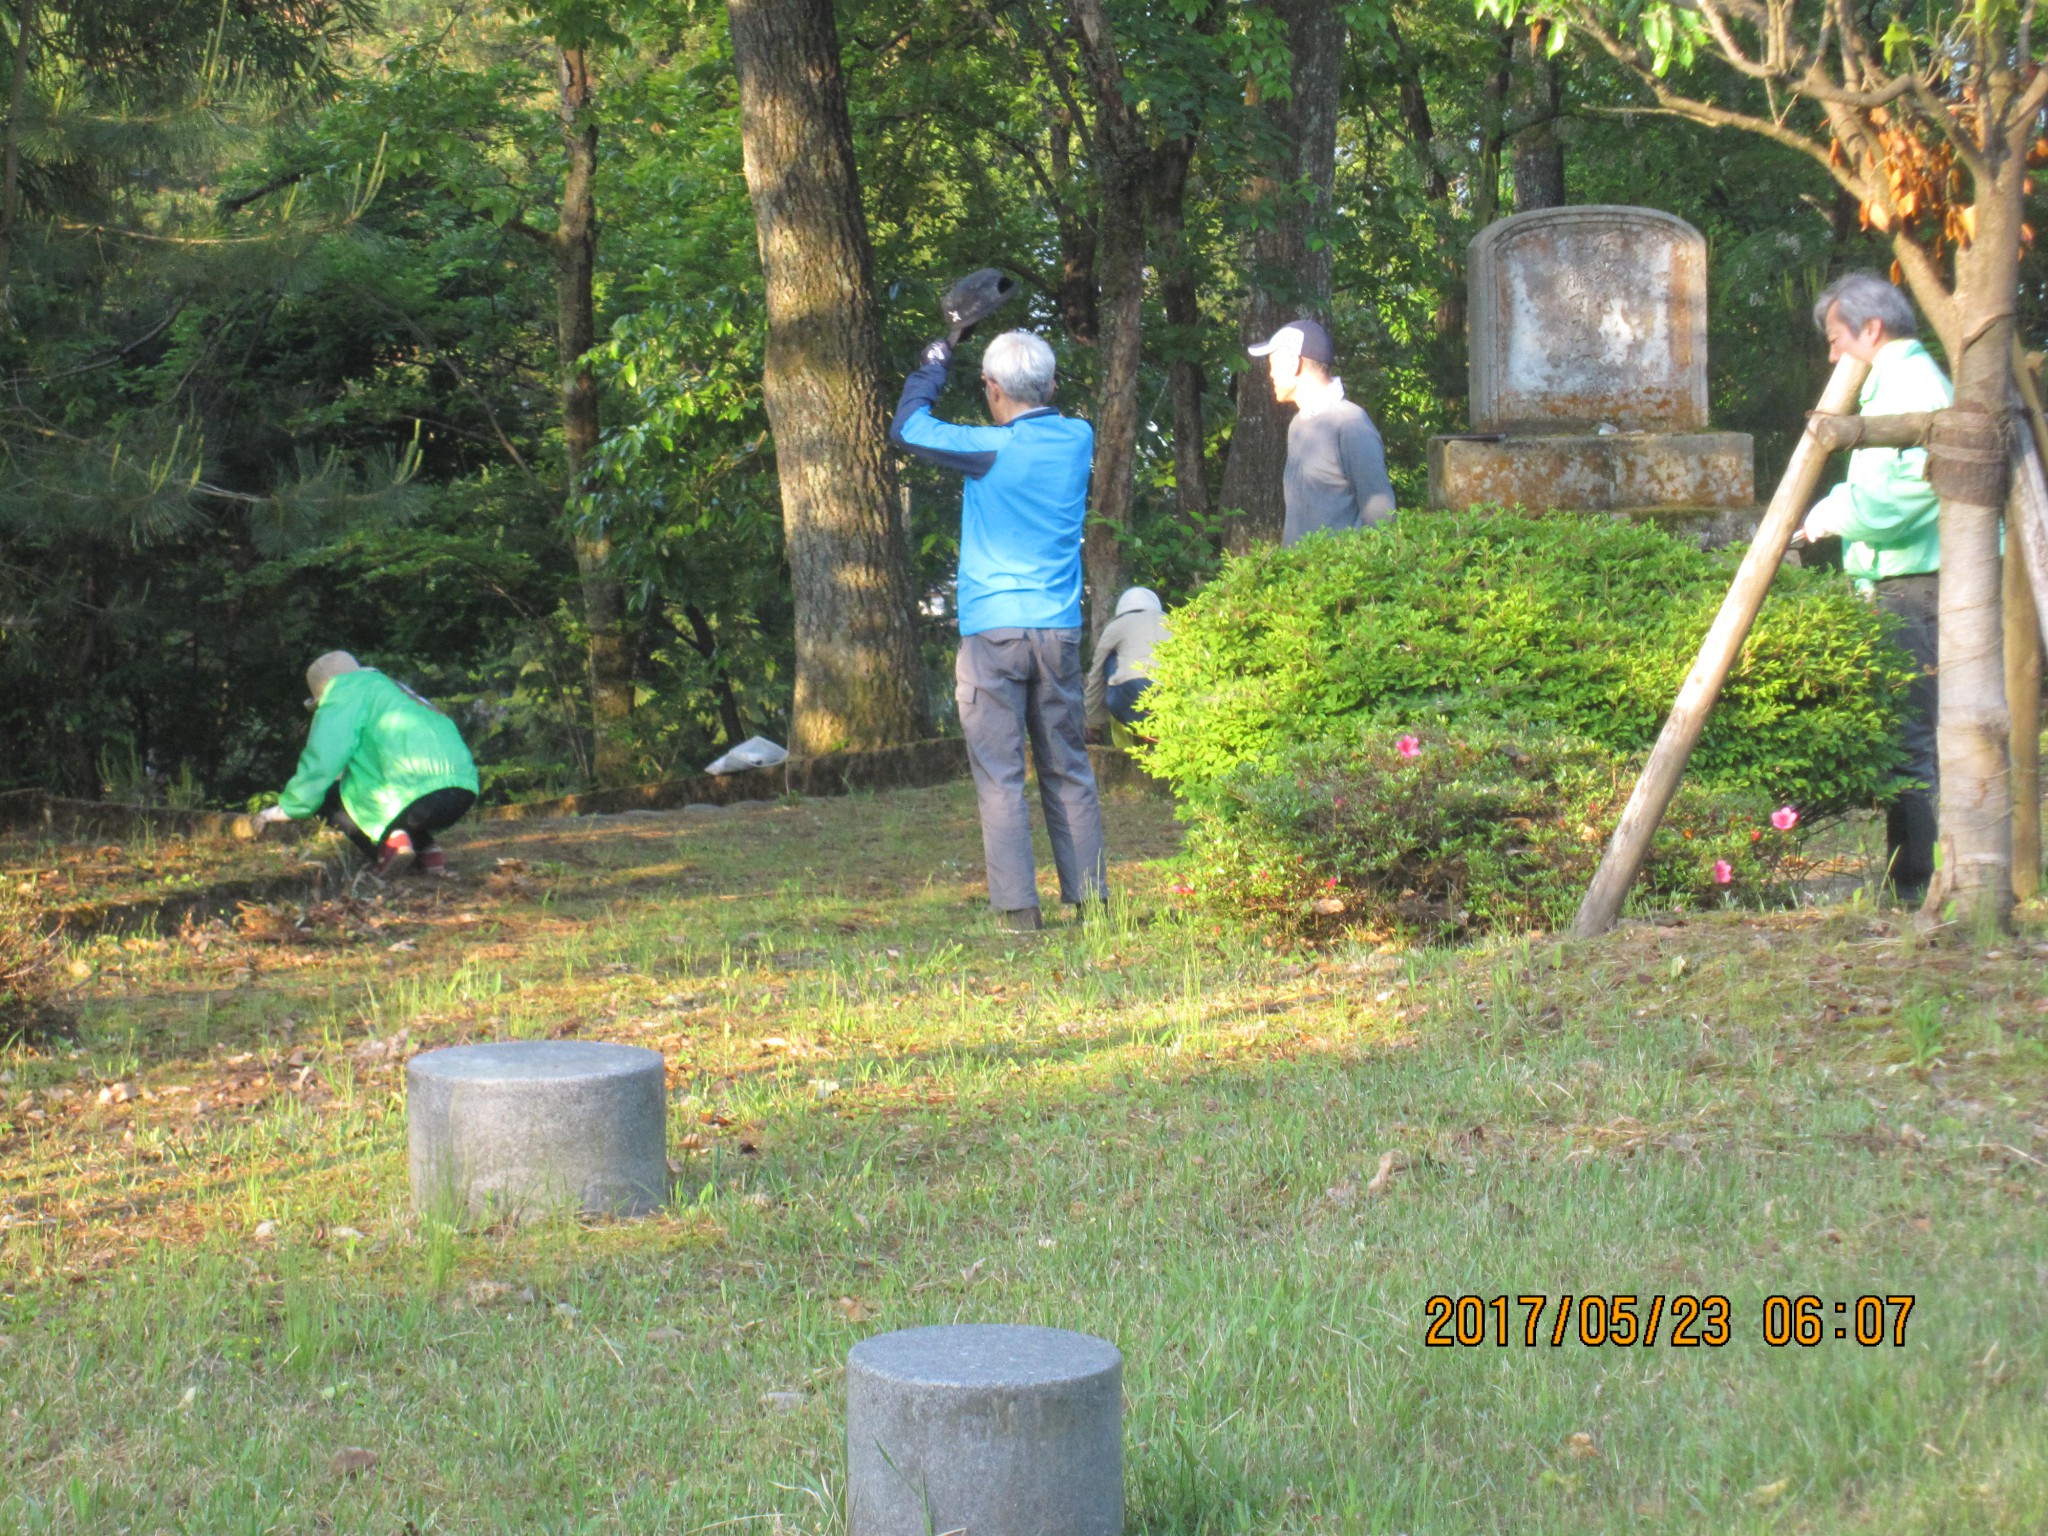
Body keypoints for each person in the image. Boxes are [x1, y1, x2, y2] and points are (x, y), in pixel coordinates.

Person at [891, 328, 1108, 931]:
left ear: (990, 390)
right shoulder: (1077, 437)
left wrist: (933, 361)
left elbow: (908, 428)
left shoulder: (988, 449)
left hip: (993, 633)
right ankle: (1092, 905)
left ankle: (1019, 914)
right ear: (1053, 385)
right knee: (1068, 766)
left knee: (1000, 775)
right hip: (1058, 631)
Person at [1800, 271, 1953, 902]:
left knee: (1911, 741)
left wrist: (1833, 516)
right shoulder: (1895, 382)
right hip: (1907, 575)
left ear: (1871, 329)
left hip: (1915, 581)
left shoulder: (1913, 384)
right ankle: (1918, 876)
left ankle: (1915, 883)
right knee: (1913, 737)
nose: (1834, 355)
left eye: (1837, 339)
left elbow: (1901, 495)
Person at [256, 652, 480, 877]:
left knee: (327, 796)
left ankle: (388, 846)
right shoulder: (392, 689)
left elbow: (322, 762)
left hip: (416, 796)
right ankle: (427, 852)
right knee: (375, 786)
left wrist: (290, 806)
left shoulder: (342, 693)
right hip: (463, 790)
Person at [1248, 318, 1396, 547]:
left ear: (1292, 364)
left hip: (1340, 580)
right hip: (1301, 580)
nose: (1271, 375)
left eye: (1273, 364)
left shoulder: (1350, 423)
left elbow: (1381, 515)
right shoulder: (1298, 424)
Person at [1084, 586, 1169, 740]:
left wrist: (1092, 723)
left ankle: (1127, 744)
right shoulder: (1172, 623)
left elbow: (1096, 674)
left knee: (1110, 661)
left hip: (1131, 698)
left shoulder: (1116, 625)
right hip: (1171, 698)